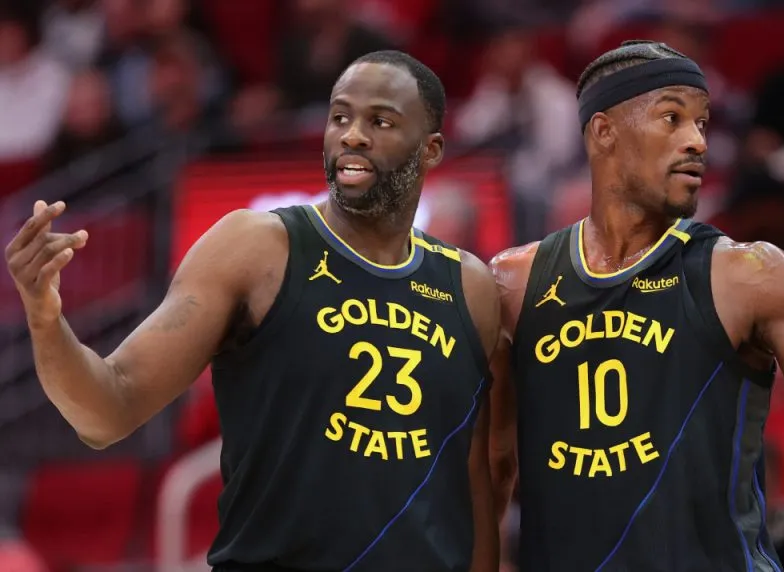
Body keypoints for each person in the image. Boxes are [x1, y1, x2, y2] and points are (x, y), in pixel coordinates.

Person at [5, 50, 501, 572]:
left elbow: (472, 483)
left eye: (380, 120)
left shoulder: (468, 286)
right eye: (340, 117)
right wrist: (44, 318)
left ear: (431, 150)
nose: (352, 135)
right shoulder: (256, 247)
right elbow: (108, 410)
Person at [487, 40, 784, 571]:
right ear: (604, 132)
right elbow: (491, 471)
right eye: (672, 118)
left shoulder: (752, 276)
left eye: (701, 123)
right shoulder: (514, 284)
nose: (696, 141)